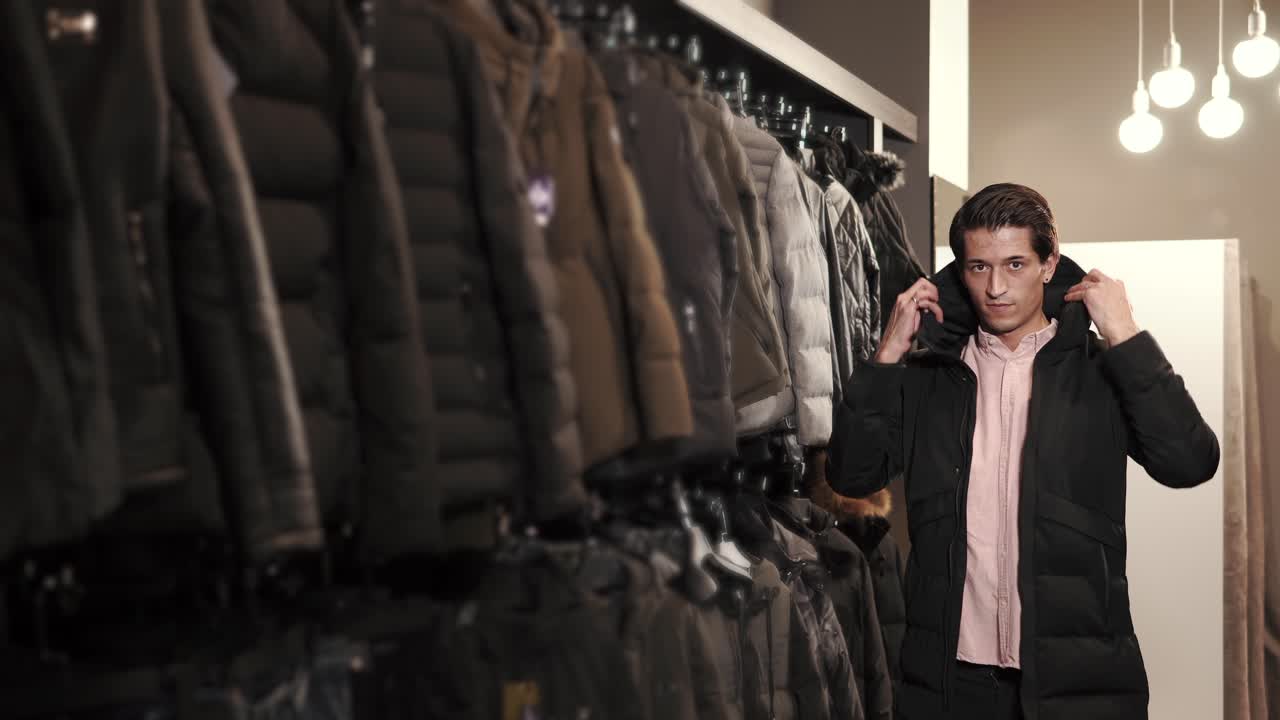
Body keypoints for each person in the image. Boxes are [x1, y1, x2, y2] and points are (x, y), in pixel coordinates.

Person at [826, 183, 1219, 720]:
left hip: (1082, 681)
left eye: (1015, 264)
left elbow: (1190, 463)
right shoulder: (928, 378)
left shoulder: (1101, 368)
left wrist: (1126, 333)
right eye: (979, 267)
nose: (996, 287)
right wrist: (887, 354)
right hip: (947, 682)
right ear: (961, 271)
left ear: (1049, 263)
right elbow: (851, 476)